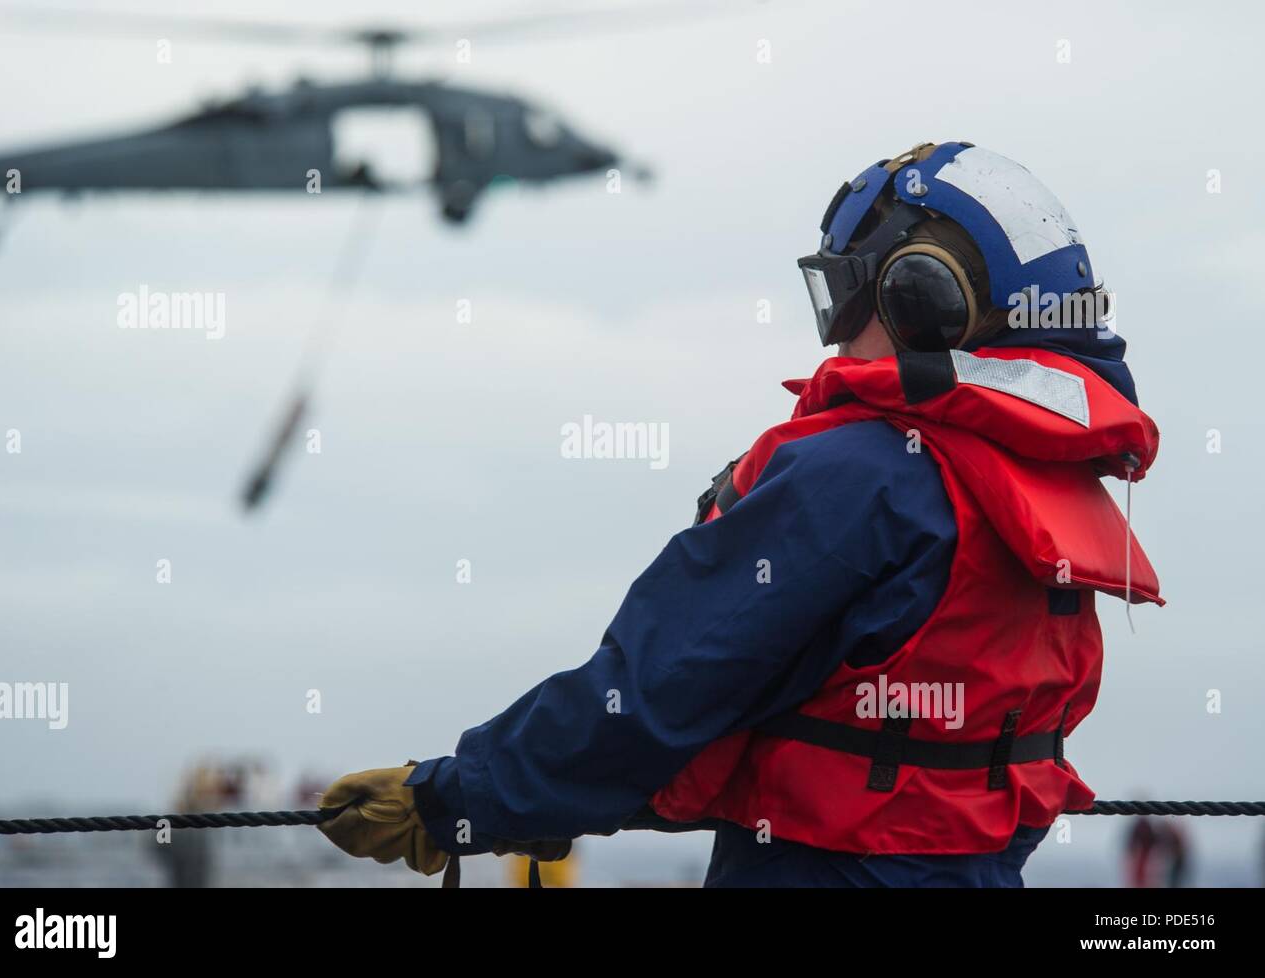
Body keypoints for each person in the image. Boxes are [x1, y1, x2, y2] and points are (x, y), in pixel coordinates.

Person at [317, 141, 1164, 887]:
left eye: (844, 295)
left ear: (918, 300)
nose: (833, 336)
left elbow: (658, 689)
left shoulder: (862, 476)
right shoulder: (1044, 487)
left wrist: (457, 797)